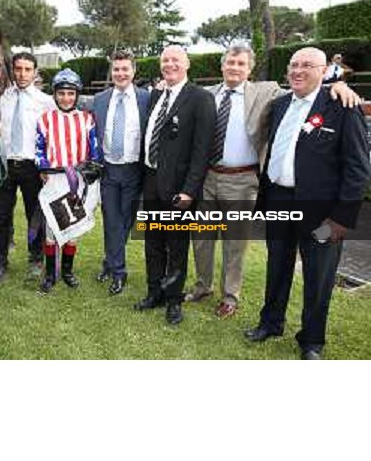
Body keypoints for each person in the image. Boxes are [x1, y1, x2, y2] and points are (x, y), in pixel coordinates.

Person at [187, 44, 359, 319]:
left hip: (242, 179)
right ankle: (202, 286)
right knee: (203, 238)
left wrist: (336, 85)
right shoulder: (206, 95)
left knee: (235, 242)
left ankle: (230, 296)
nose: (234, 67)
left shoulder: (268, 93)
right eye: (230, 62)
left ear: (250, 68)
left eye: (241, 64)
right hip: (207, 177)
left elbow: (307, 90)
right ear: (222, 66)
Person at [244, 47, 370, 360]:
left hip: (323, 213)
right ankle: (270, 322)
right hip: (279, 201)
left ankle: (311, 340)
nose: (298, 71)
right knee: (277, 267)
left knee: (318, 276)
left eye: (307, 66)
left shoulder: (342, 105)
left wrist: (341, 220)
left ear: (324, 70)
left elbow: (357, 167)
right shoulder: (280, 104)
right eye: (294, 65)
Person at [135, 45, 216, 326]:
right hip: (151, 179)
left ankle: (173, 300)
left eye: (175, 60)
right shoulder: (157, 94)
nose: (169, 64)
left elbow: (202, 149)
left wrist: (190, 190)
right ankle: (154, 292)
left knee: (177, 246)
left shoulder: (200, 98)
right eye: (165, 60)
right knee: (153, 242)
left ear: (187, 64)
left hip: (179, 188)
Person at [0, 52, 55, 284]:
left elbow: (52, 136)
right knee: (2, 217)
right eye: (18, 69)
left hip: (32, 167)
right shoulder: (3, 98)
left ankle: (36, 259)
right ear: (13, 70)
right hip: (6, 166)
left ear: (35, 71)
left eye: (28, 69)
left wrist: (48, 165)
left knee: (34, 216)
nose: (23, 73)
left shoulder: (45, 101)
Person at [36, 68, 103, 293]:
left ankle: (67, 271)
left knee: (72, 229)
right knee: (51, 231)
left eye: (71, 94)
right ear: (55, 95)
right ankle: (49, 274)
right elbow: (39, 150)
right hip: (54, 181)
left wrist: (93, 167)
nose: (66, 98)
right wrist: (43, 166)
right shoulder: (46, 119)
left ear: (77, 95)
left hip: (77, 183)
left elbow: (94, 151)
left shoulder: (86, 119)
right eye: (62, 93)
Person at [92, 51, 150, 295]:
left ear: (133, 71)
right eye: (116, 69)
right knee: (111, 219)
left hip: (134, 169)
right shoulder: (99, 99)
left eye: (125, 69)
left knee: (125, 221)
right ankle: (119, 271)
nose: (121, 73)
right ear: (112, 72)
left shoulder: (147, 98)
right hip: (108, 170)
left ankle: (109, 260)